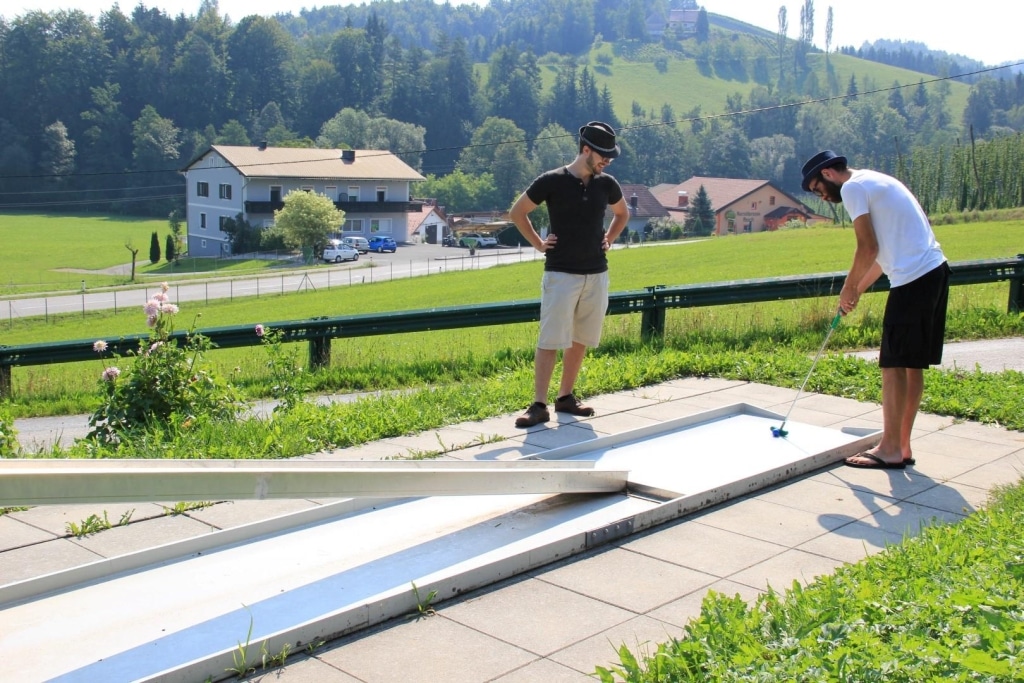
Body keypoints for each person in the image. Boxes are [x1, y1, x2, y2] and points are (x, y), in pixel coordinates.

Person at [801, 150, 950, 469]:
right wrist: (856, 291)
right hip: (934, 272)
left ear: (828, 174)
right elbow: (882, 255)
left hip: (914, 279)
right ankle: (901, 446)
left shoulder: (853, 188)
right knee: (910, 365)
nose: (823, 198)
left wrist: (847, 286)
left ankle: (891, 448)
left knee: (893, 364)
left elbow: (867, 247)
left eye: (818, 190)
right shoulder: (873, 179)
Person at [509, 121, 630, 427]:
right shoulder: (552, 180)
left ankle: (565, 398)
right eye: (603, 155)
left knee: (580, 339)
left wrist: (610, 239)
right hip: (561, 274)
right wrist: (538, 244)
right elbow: (517, 212)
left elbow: (622, 214)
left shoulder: (607, 184)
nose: (607, 161)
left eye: (610, 157)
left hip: (596, 274)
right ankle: (538, 405)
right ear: (585, 150)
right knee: (550, 339)